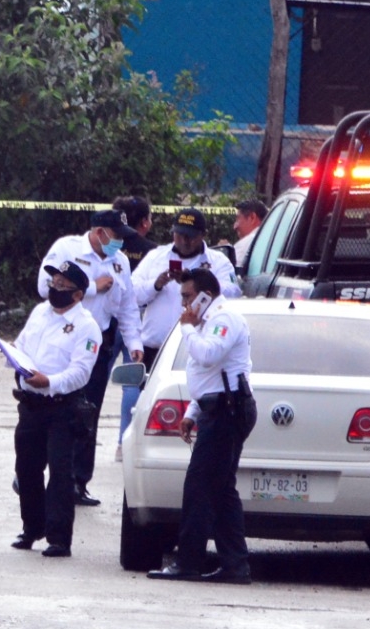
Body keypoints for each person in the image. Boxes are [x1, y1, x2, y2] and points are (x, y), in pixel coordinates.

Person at [148, 268, 256, 585]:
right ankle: (235, 564)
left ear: (206, 295)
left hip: (227, 411)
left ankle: (189, 561)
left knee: (199, 488)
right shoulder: (208, 322)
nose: (184, 305)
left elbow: (208, 356)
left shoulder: (223, 319)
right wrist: (193, 411)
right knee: (221, 490)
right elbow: (211, 376)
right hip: (218, 407)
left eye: (187, 296)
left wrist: (186, 330)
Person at [38, 209, 143, 506]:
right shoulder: (67, 249)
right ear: (99, 233)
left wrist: (134, 342)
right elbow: (43, 288)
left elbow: (128, 307)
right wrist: (92, 289)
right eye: (116, 237)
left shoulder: (120, 262)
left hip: (99, 345)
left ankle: (78, 482)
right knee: (52, 409)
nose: (119, 243)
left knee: (87, 414)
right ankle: (36, 473)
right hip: (63, 342)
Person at [10, 261, 102, 559]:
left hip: (62, 408)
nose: (55, 289)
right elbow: (22, 344)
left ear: (77, 295)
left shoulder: (87, 326)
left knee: (61, 474)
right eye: (53, 283)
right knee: (26, 468)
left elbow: (80, 373)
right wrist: (14, 358)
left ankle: (59, 538)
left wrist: (48, 381)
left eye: (62, 286)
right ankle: (31, 528)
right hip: (30, 405)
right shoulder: (40, 313)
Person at [132, 207, 241, 372]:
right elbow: (131, 295)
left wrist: (197, 282)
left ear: (202, 235)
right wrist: (156, 284)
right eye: (179, 235)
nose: (184, 241)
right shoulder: (156, 257)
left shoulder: (218, 261)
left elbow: (233, 294)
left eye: (190, 236)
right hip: (154, 348)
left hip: (194, 347)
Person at [110, 196, 158, 461]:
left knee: (92, 381)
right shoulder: (152, 251)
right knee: (132, 383)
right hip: (135, 322)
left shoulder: (108, 247)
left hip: (107, 320)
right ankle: (123, 446)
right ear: (143, 222)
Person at [225, 199, 268, 268]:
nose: (235, 226)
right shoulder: (273, 238)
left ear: (252, 218)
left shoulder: (245, 245)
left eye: (238, 218)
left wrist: (224, 254)